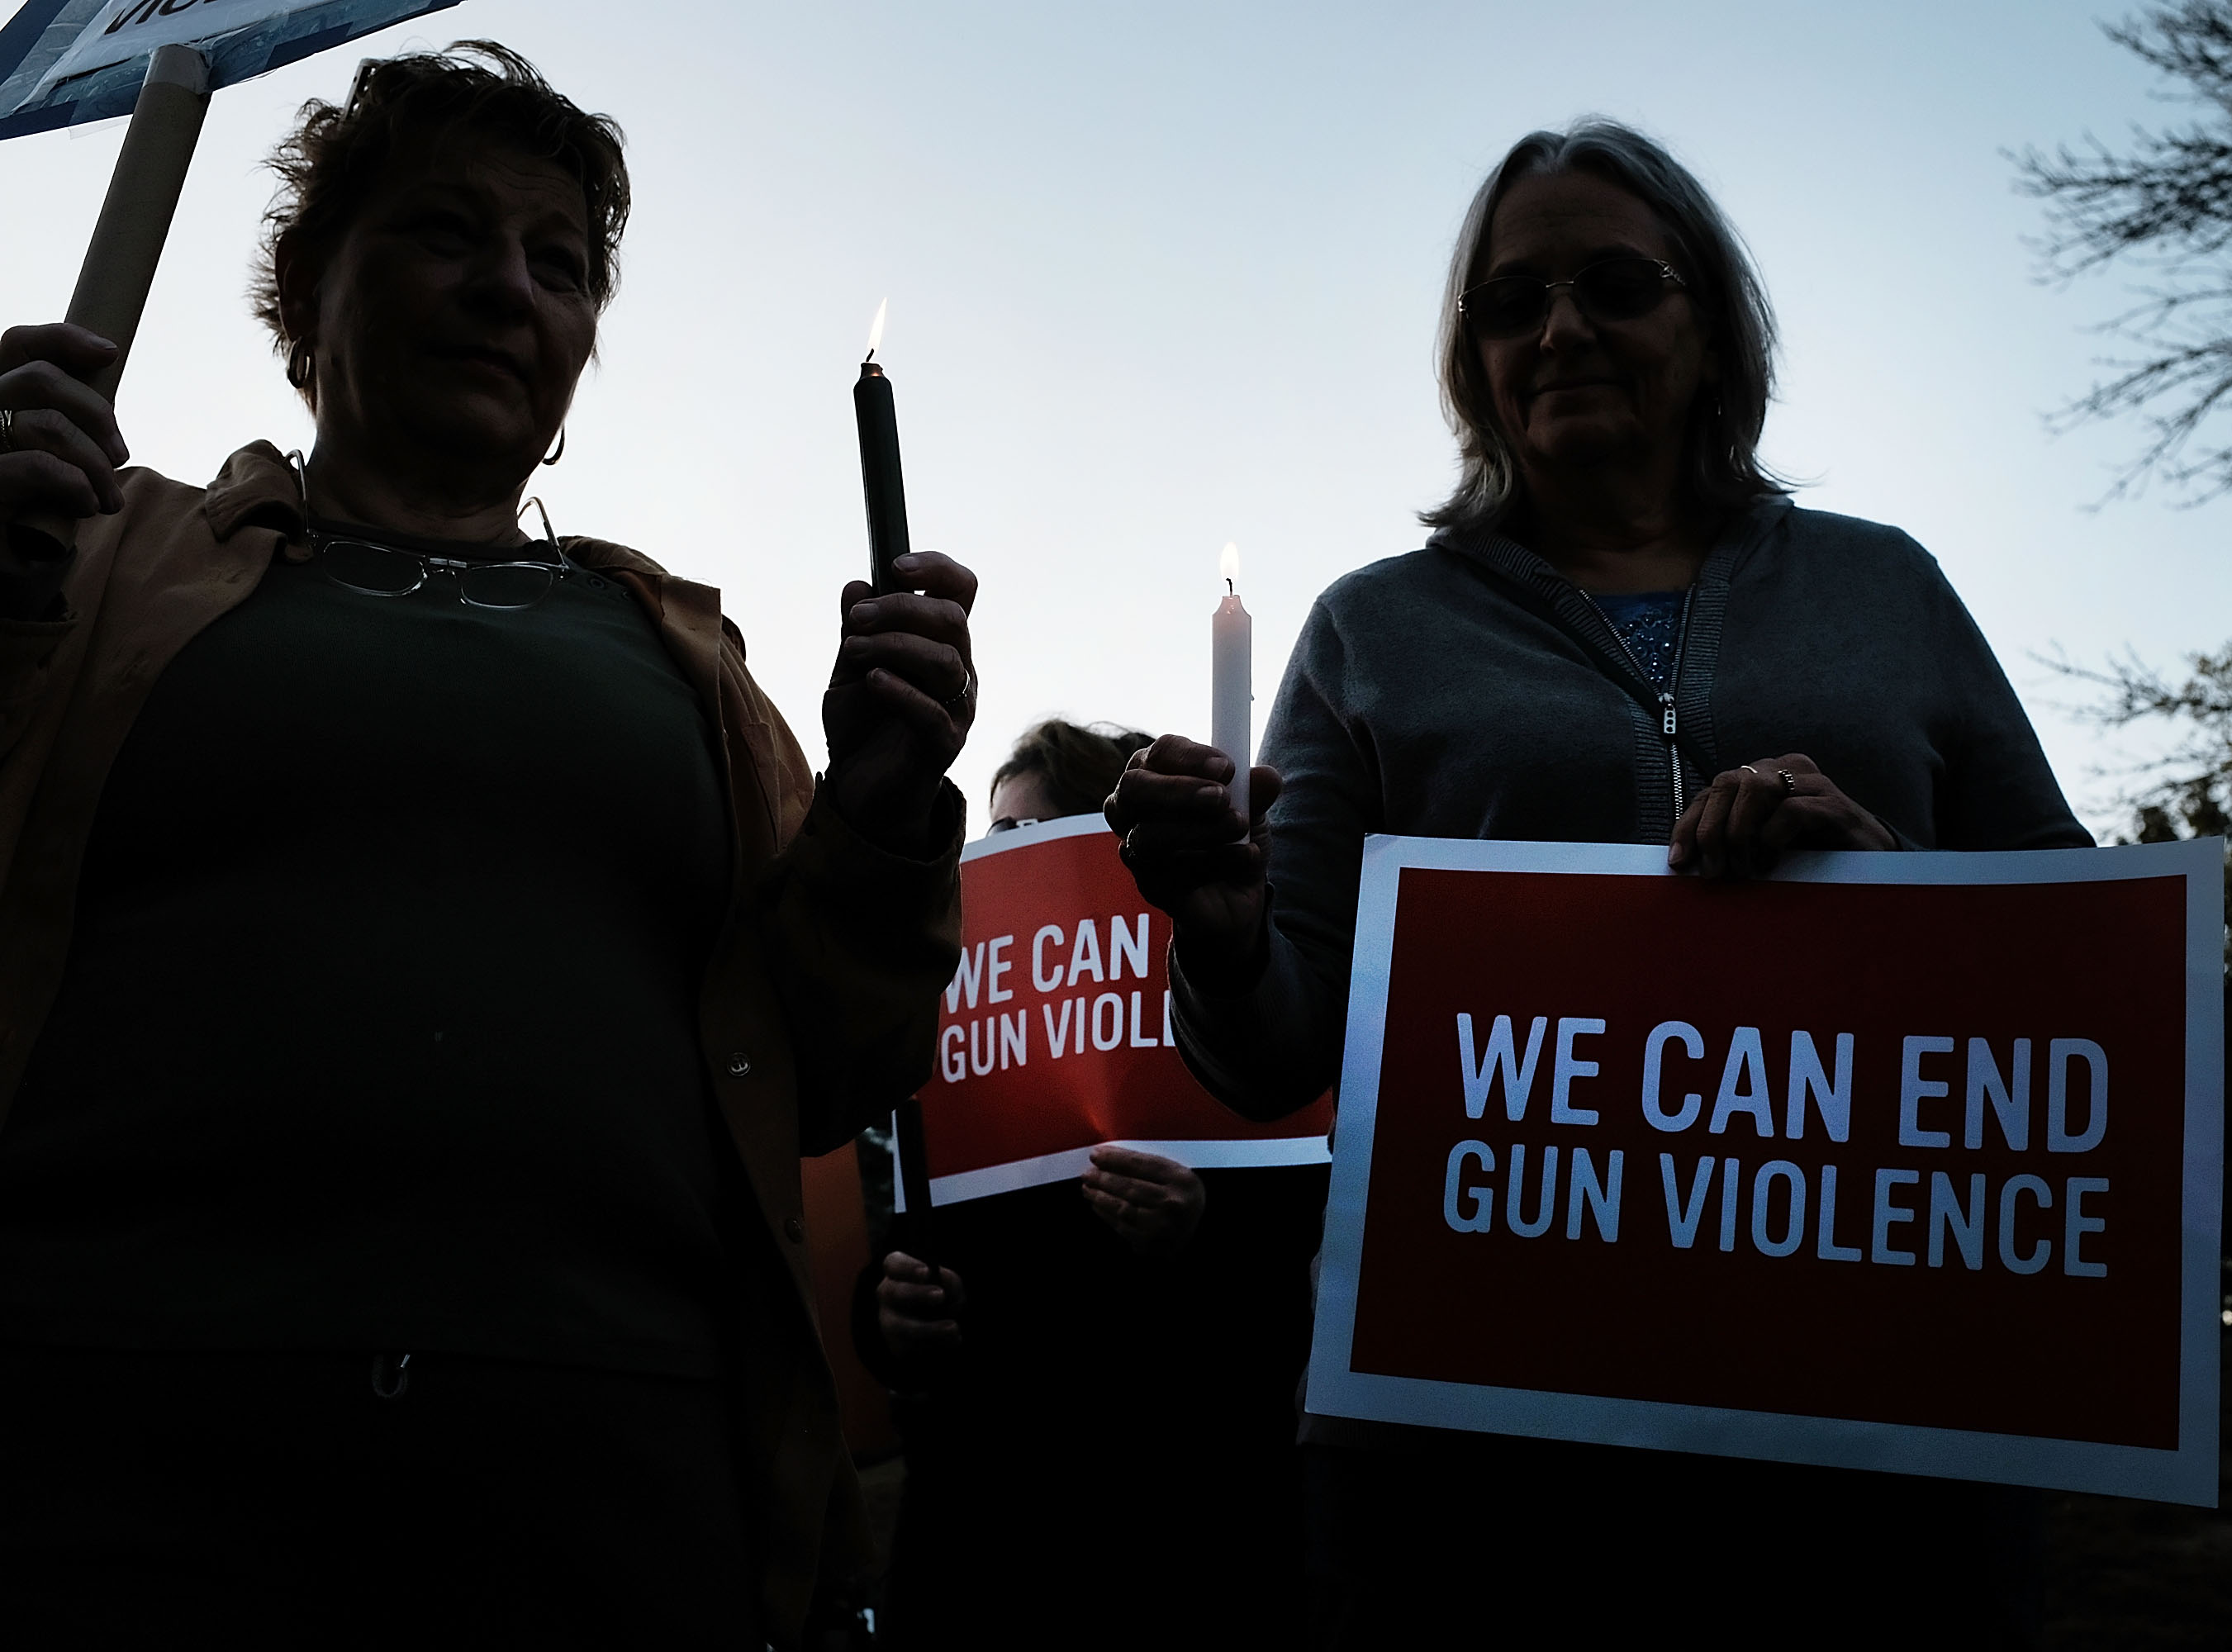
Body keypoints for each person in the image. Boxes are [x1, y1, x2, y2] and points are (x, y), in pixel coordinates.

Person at [0, 44, 974, 1648]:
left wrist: (883, 804)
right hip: (123, 1451)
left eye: (559, 263)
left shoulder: (685, 661)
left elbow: (841, 1056)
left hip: (603, 1481)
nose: (506, 288)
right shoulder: (103, 559)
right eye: (443, 233)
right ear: (309, 288)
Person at [1104, 119, 2088, 1646]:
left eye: (1615, 285)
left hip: (1871, 1424)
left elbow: (2082, 949)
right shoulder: (1373, 629)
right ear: (1474, 358)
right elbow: (1276, 1046)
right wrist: (1223, 933)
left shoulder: (1884, 587)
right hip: (1479, 1449)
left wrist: (1888, 887)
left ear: (1710, 325)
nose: (1561, 328)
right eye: (1512, 302)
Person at [862, 720, 1328, 1649]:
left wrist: (1200, 1230)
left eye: (1030, 834)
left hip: (1174, 1528)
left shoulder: (1236, 1009)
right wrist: (890, 1310)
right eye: (994, 833)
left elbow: (1299, 1288)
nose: (1002, 858)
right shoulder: (948, 1019)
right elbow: (903, 1233)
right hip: (983, 1524)